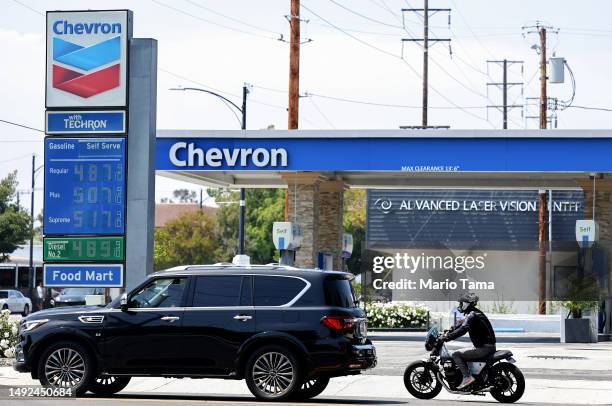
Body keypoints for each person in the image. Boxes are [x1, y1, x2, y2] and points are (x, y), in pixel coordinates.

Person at [443, 293, 496, 390]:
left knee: (456, 354)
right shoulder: (474, 313)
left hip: (484, 348)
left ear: (466, 304)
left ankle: (467, 378)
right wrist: (449, 330)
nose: (459, 305)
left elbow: (463, 329)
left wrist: (447, 338)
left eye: (461, 303)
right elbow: (461, 323)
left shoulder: (472, 315)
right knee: (464, 352)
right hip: (487, 347)